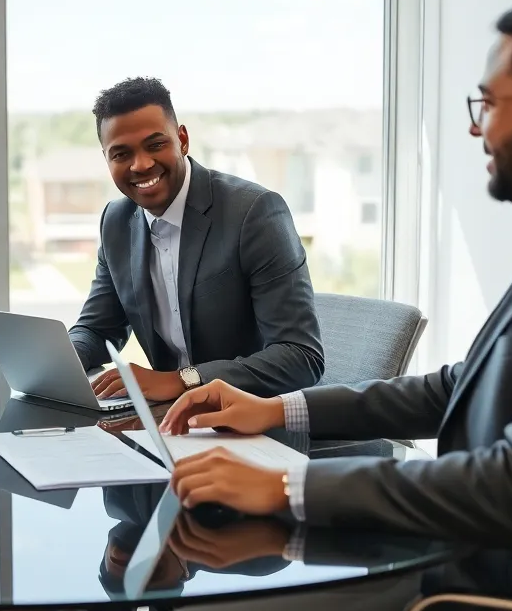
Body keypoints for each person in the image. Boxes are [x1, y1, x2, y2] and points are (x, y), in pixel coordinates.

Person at [150, 0, 512, 611]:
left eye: (489, 104)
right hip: (471, 564)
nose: (476, 129)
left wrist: (286, 485)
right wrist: (273, 410)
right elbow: (458, 386)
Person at [71, 77, 324, 405]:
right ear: (107, 159)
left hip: (253, 417)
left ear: (182, 140)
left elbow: (301, 356)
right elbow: (96, 329)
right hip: (169, 419)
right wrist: (57, 363)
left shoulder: (254, 213)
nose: (141, 164)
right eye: (121, 154)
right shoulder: (116, 222)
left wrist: (181, 380)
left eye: (155, 145)